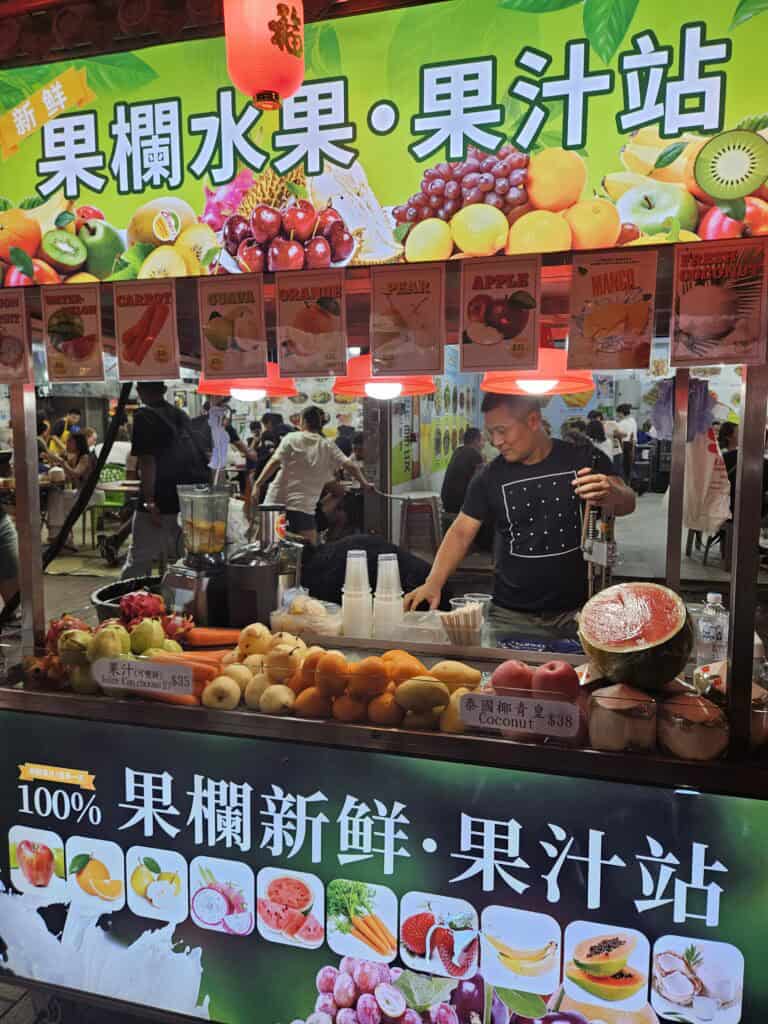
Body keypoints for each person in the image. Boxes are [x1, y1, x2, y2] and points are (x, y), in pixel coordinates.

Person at [404, 393, 635, 638]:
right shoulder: (488, 477)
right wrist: (433, 582)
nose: (496, 441)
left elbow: (627, 503)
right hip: (511, 615)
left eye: (502, 431)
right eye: (490, 433)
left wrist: (613, 492)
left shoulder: (582, 458)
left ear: (533, 420)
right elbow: (461, 532)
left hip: (578, 611)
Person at [121, 382, 209, 579]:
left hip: (162, 497)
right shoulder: (181, 415)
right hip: (190, 498)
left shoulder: (144, 416)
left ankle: (126, 602)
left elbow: (147, 461)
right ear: (163, 391)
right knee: (190, 558)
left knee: (139, 558)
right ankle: (188, 601)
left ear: (141, 391)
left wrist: (150, 500)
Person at [254, 405, 373, 544]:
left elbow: (274, 462)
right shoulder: (327, 445)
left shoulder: (291, 438)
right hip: (303, 508)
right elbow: (349, 465)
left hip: (275, 502)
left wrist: (258, 484)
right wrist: (365, 483)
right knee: (310, 552)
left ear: (302, 421)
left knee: (265, 547)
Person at [45, 433, 97, 551]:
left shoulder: (85, 457)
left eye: (70, 442)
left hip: (90, 495)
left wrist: (62, 463)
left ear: (78, 444)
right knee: (54, 496)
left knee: (58, 501)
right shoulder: (75, 457)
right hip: (80, 493)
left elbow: (75, 474)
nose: (67, 444)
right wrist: (57, 463)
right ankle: (61, 537)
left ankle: (60, 537)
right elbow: (69, 477)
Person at [441, 428, 485, 515]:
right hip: (459, 506)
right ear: (476, 441)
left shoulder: (458, 451)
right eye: (482, 441)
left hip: (446, 502)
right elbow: (480, 483)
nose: (483, 444)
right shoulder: (475, 454)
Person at [616, 403, 638, 486]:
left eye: (618, 413)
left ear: (621, 413)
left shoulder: (623, 423)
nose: (617, 415)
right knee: (630, 468)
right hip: (632, 445)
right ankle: (632, 485)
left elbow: (620, 435)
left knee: (624, 468)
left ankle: (626, 485)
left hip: (625, 446)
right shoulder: (633, 421)